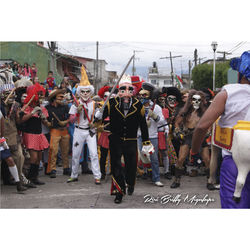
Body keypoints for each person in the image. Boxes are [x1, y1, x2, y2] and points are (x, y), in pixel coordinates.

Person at [191, 51, 250, 208]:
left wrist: (195, 149)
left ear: (240, 74)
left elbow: (202, 125)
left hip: (235, 163)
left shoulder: (228, 93)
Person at [95, 75, 154, 204]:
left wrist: (146, 142)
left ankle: (131, 183)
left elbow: (143, 125)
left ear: (133, 91)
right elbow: (100, 120)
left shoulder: (138, 105)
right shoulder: (111, 104)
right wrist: (98, 114)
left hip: (131, 140)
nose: (126, 93)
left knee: (131, 166)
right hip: (116, 140)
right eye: (123, 89)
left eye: (129, 90)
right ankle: (119, 192)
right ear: (119, 91)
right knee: (116, 166)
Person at [67, 66, 101, 185]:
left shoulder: (94, 104)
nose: (85, 93)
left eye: (87, 91)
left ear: (90, 92)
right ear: (79, 92)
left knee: (94, 154)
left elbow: (98, 118)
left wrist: (95, 121)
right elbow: (71, 120)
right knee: (76, 154)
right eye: (83, 91)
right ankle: (74, 175)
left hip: (90, 132)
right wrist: (77, 111)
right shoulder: (75, 104)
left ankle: (97, 176)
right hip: (78, 131)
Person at [19, 83, 50, 185]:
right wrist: (32, 113)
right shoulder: (26, 106)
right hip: (30, 134)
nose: (41, 97)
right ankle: (30, 178)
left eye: (42, 94)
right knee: (34, 158)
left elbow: (46, 123)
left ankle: (35, 177)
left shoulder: (40, 107)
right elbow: (21, 120)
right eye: (39, 94)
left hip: (38, 134)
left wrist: (43, 117)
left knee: (39, 158)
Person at [137, 82, 165, 187]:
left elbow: (162, 121)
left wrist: (154, 117)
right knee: (142, 157)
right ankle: (144, 173)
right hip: (140, 136)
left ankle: (156, 178)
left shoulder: (156, 108)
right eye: (140, 95)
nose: (142, 97)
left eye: (145, 95)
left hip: (152, 136)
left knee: (154, 158)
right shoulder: (137, 107)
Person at [45, 88, 70, 178]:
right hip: (54, 131)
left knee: (65, 151)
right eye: (60, 98)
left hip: (64, 131)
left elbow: (71, 117)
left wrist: (66, 122)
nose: (62, 99)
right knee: (53, 150)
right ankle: (52, 169)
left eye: (63, 97)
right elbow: (44, 119)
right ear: (54, 99)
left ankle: (66, 168)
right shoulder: (48, 108)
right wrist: (47, 123)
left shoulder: (65, 107)